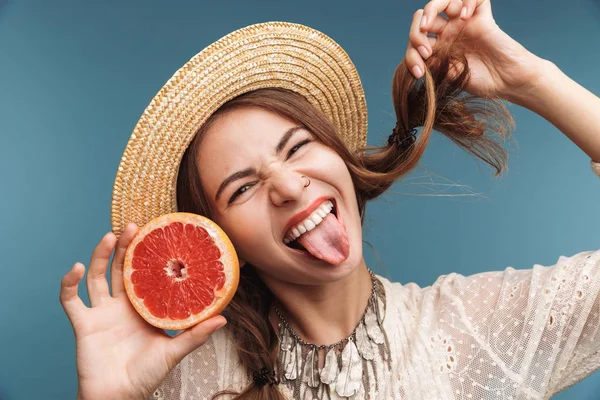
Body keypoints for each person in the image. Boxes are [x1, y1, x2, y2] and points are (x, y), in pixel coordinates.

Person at [60, 0, 600, 399]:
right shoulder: (179, 381)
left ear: (340, 158)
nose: (290, 186)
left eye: (297, 147)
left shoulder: (471, 328)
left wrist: (530, 79)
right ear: (223, 243)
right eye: (243, 187)